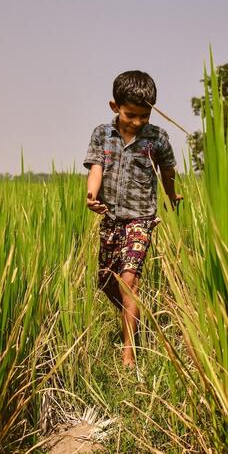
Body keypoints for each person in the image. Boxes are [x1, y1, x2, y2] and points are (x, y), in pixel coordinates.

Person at [83, 70, 182, 367]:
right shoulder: (103, 134)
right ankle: (133, 312)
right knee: (107, 281)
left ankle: (129, 353)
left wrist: (171, 194)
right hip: (112, 218)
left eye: (145, 115)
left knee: (129, 281)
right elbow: (96, 168)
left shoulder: (157, 138)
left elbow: (167, 170)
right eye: (131, 115)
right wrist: (92, 196)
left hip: (141, 219)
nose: (138, 121)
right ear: (115, 107)